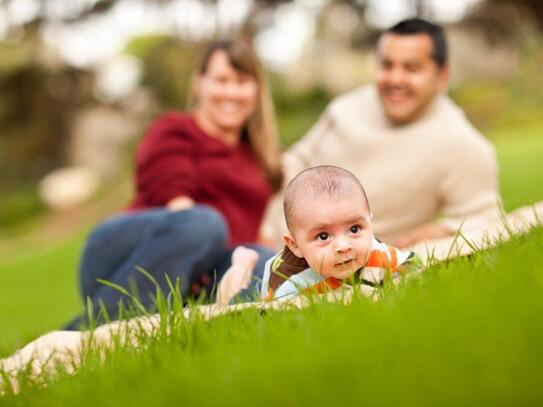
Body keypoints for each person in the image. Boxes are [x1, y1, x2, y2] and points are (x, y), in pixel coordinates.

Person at [66, 39, 283, 329]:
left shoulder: (256, 158)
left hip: (197, 276)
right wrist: (203, 249)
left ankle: (195, 325)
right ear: (199, 84)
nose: (231, 91)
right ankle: (83, 333)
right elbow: (176, 197)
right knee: (204, 224)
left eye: (242, 82)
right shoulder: (175, 129)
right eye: (221, 80)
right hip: (126, 257)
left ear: (256, 90)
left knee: (264, 261)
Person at [261, 18, 501, 250]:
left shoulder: (461, 143)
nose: (395, 78)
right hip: (266, 228)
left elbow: (487, 218)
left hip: (327, 258)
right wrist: (264, 226)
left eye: (412, 68)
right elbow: (294, 161)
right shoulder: (346, 107)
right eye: (387, 65)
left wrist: (445, 230)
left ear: (442, 76)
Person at [217, 166, 419, 305]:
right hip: (266, 284)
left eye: (355, 229)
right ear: (295, 245)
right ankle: (239, 270)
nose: (343, 246)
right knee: (235, 301)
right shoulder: (290, 285)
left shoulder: (377, 253)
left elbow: (411, 267)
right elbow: (271, 320)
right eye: (323, 236)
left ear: (370, 223)